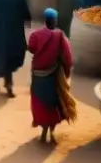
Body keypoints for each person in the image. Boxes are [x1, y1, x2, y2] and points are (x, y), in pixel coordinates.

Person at [27, 8, 77, 143]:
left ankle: (43, 131)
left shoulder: (35, 35)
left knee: (39, 103)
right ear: (55, 21)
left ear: (45, 20)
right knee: (53, 104)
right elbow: (68, 58)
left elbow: (31, 48)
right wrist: (66, 71)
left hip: (37, 76)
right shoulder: (60, 36)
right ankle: (51, 132)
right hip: (52, 77)